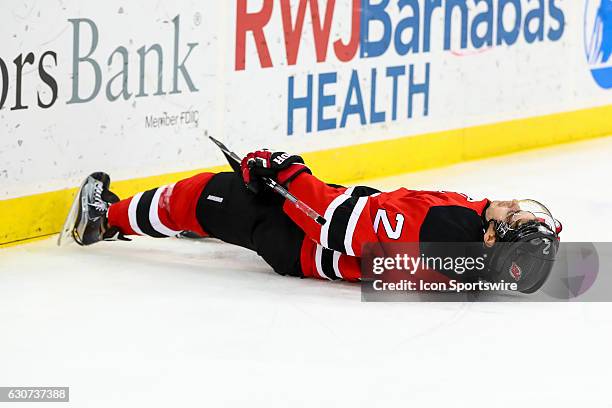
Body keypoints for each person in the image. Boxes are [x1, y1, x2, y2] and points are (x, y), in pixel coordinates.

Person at [63, 149, 561, 294]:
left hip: (297, 240)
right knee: (217, 212)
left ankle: (104, 218)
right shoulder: (480, 262)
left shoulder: (440, 226)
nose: (515, 202)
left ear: (494, 236)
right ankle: (210, 221)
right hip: (311, 252)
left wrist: (282, 169)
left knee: (205, 195)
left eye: (514, 215)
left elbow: (331, 221)